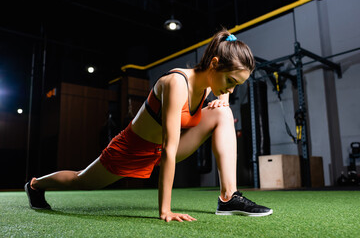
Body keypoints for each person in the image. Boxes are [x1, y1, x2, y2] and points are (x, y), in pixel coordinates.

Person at [25, 29, 273, 222]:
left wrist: (222, 99)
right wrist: (165, 210)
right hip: (132, 150)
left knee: (224, 114)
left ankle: (229, 198)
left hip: (163, 149)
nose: (231, 89)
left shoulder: (213, 82)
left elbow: (224, 93)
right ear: (214, 63)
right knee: (81, 180)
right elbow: (169, 150)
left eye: (236, 85)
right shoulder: (176, 83)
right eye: (230, 81)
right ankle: (36, 184)